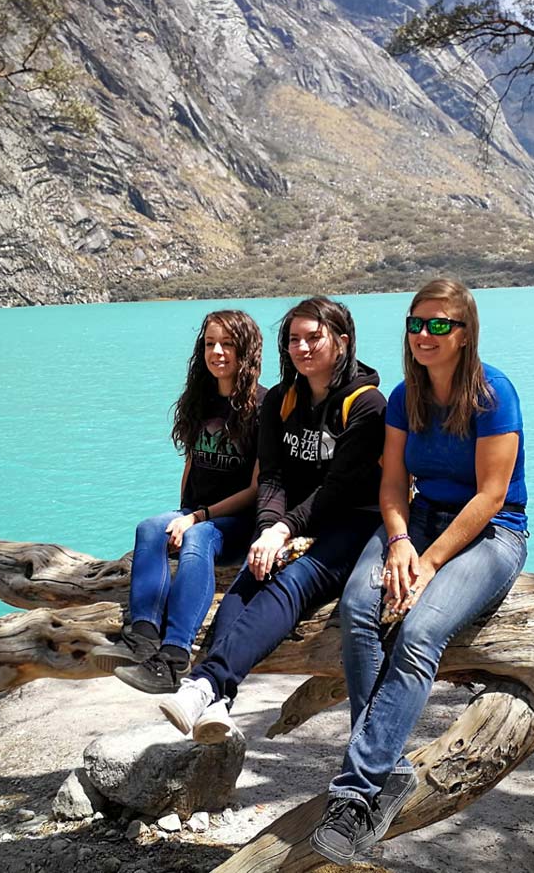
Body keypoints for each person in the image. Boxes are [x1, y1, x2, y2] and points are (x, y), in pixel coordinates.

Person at [310, 279, 529, 866]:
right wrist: (402, 541)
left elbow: (490, 496)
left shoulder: (493, 394)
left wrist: (429, 564)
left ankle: (356, 793)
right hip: (417, 522)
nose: (425, 335)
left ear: (464, 333)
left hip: (492, 534)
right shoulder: (406, 396)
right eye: (417, 323)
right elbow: (391, 485)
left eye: (440, 325)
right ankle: (387, 767)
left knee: (419, 634)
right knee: (358, 609)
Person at [157, 295, 387, 744]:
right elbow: (274, 478)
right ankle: (220, 701)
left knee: (294, 582)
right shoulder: (281, 401)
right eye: (293, 340)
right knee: (251, 574)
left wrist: (283, 530)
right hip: (293, 519)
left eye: (313, 338)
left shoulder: (367, 405)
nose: (301, 348)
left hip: (353, 520)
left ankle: (205, 682)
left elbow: (337, 490)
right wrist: (266, 532)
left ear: (341, 341)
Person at [91, 310, 265, 693]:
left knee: (199, 539)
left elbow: (256, 489)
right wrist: (181, 514)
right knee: (150, 527)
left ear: (246, 350)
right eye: (209, 344)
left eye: (227, 344)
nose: (217, 352)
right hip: (198, 513)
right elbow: (191, 466)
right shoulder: (200, 401)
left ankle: (173, 658)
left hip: (237, 523)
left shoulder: (263, 407)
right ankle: (143, 637)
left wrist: (197, 519)